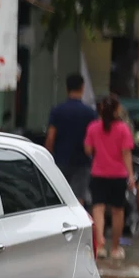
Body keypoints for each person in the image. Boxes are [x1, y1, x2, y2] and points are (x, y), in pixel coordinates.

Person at [84, 92, 134, 261]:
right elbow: (126, 153)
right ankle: (114, 248)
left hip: (98, 173)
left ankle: (100, 246)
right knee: (117, 211)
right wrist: (132, 177)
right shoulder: (123, 129)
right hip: (118, 175)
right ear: (117, 109)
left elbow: (88, 150)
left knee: (98, 209)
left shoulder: (93, 127)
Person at [45, 73, 96, 205]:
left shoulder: (57, 111)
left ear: (66, 88)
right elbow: (93, 141)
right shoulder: (90, 113)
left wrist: (48, 156)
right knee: (78, 198)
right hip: (82, 162)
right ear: (82, 87)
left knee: (59, 198)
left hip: (60, 160)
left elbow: (51, 136)